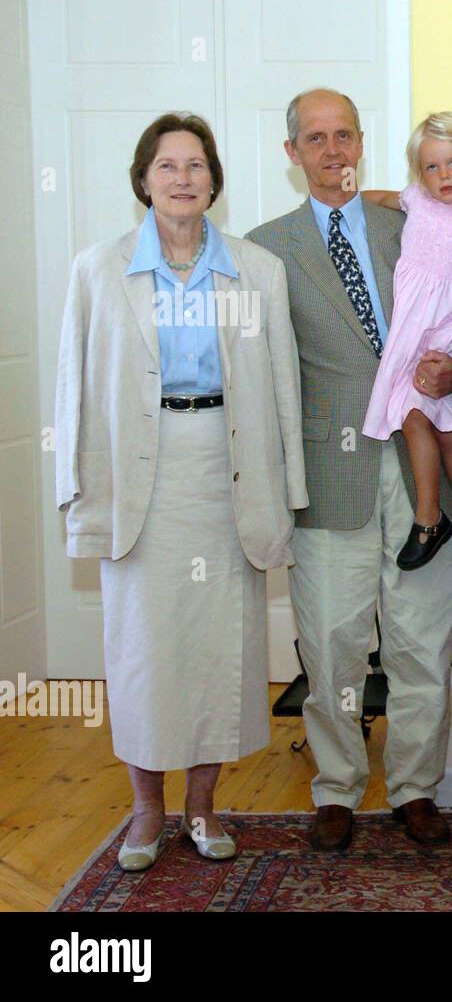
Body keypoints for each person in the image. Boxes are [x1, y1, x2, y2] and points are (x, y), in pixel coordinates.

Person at [54, 112, 306, 871]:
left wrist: (290, 485)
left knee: (221, 653)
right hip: (140, 480)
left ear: (213, 180)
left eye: (195, 165)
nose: (183, 178)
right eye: (167, 165)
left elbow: (284, 386)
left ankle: (202, 809)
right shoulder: (99, 271)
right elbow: (74, 384)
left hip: (228, 471)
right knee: (143, 651)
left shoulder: (256, 270)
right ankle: (144, 809)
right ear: (144, 179)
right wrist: (74, 486)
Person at [248, 88, 452, 852]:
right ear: (293, 154)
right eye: (314, 139)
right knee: (333, 645)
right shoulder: (266, 250)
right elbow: (262, 377)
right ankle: (338, 789)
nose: (332, 150)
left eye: (343, 135)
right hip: (329, 473)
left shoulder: (417, 226)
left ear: (361, 145)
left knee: (421, 641)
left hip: (422, 476)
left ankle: (415, 788)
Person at [360, 111, 452, 575]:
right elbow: (378, 197)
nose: (443, 176)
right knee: (443, 429)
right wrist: (347, 202)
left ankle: (429, 520)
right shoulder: (417, 203)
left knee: (417, 413)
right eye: (431, 167)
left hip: (447, 330)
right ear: (419, 174)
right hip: (413, 325)